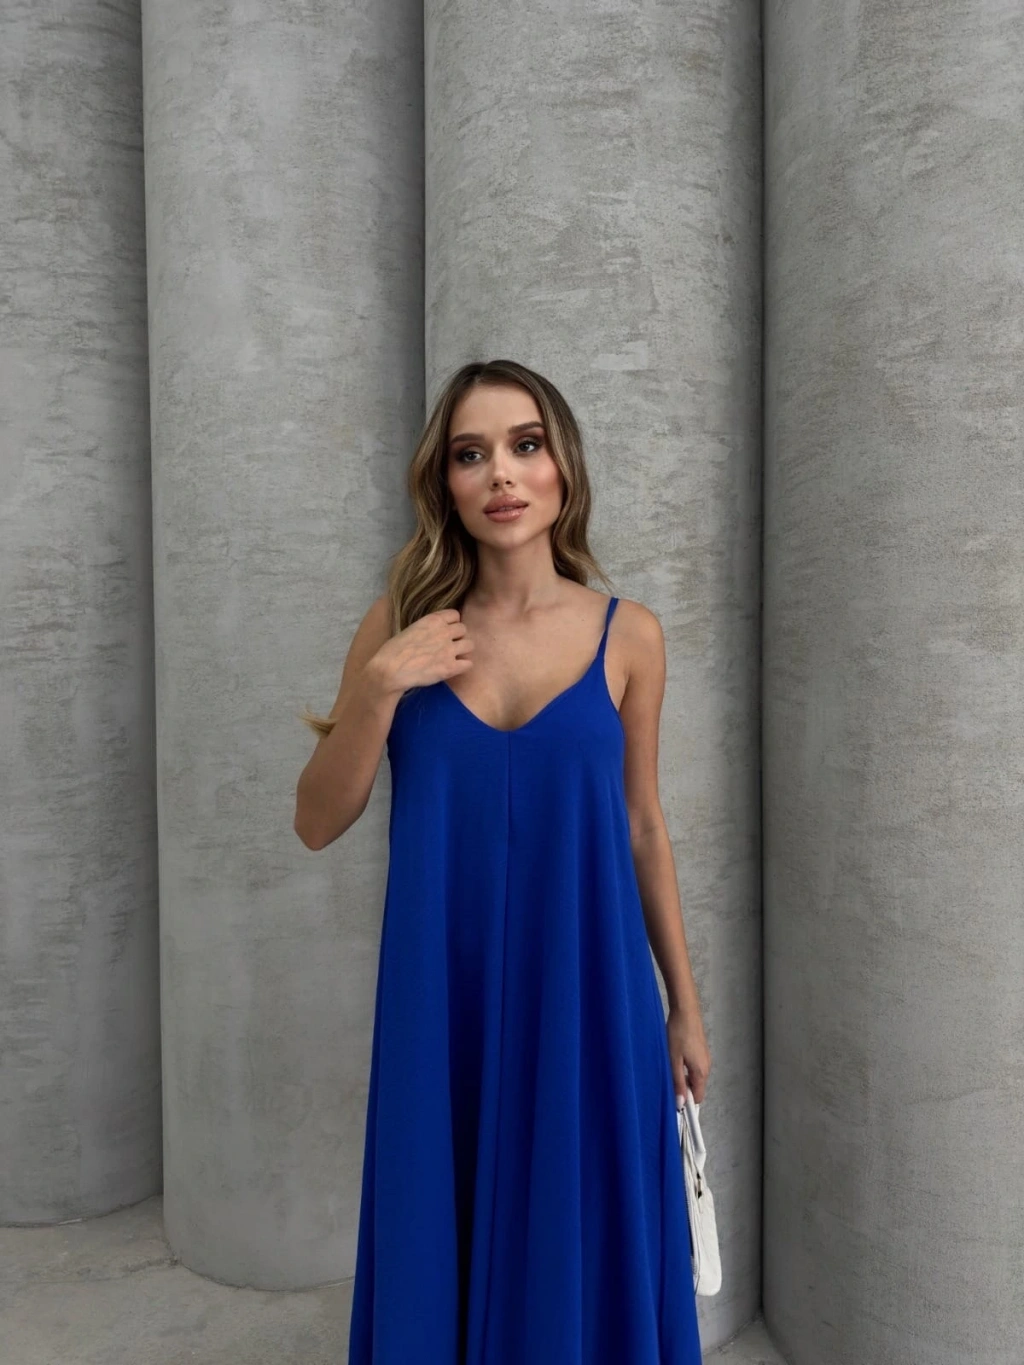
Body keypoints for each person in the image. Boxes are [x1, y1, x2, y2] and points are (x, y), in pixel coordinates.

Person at [294, 358, 711, 1363]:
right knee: (442, 1211)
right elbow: (316, 819)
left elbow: (642, 825)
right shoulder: (399, 624)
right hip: (446, 996)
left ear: (563, 463)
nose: (502, 475)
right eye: (470, 454)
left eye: (525, 445)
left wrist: (684, 1007)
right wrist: (380, 688)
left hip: (592, 990)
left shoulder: (629, 636)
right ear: (444, 482)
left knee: (586, 1218)